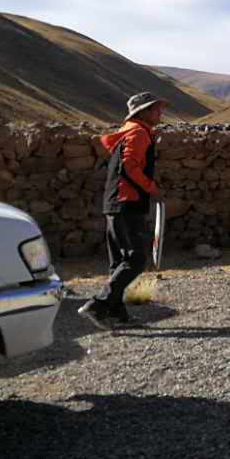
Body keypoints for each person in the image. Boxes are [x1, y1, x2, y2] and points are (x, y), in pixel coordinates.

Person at [78, 92, 167, 330]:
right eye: (156, 109)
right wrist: (152, 189)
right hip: (127, 203)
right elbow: (130, 167)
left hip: (115, 203)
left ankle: (116, 313)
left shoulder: (128, 132)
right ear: (144, 112)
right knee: (136, 259)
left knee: (119, 261)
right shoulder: (138, 133)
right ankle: (98, 305)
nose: (160, 113)